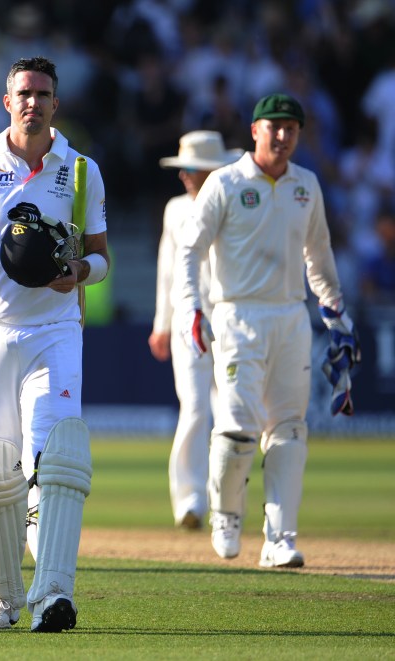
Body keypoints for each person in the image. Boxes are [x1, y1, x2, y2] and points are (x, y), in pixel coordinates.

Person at [0, 56, 109, 633]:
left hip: (56, 332)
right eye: (23, 93)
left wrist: (80, 271)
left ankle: (55, 593)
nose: (33, 101)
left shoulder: (80, 170)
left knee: (54, 459)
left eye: (43, 93)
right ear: (7, 102)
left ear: (56, 103)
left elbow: (104, 256)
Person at [176, 93, 360, 569]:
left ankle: (280, 538)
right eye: (273, 127)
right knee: (237, 429)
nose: (282, 136)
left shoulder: (307, 185)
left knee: (289, 430)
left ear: (299, 135)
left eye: (291, 129)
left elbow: (318, 257)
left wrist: (336, 311)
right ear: (255, 130)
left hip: (291, 317)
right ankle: (226, 516)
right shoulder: (226, 183)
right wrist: (193, 306)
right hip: (237, 316)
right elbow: (190, 249)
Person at [149, 131, 242, 531]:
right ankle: (190, 500)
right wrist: (162, 324)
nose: (185, 176)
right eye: (183, 169)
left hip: (232, 317)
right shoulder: (175, 210)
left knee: (231, 411)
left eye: (193, 169)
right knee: (195, 408)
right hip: (190, 318)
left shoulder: (235, 199)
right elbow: (168, 269)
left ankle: (226, 501)